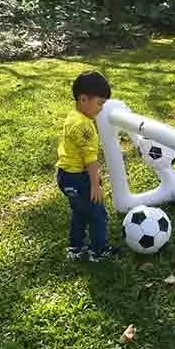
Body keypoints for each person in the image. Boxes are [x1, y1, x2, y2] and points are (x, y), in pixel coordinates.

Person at [56, 71, 117, 263]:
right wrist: (95, 185)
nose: (100, 109)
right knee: (98, 214)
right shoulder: (85, 127)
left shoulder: (72, 116)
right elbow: (90, 161)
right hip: (80, 178)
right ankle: (98, 251)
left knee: (79, 212)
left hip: (64, 176)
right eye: (99, 103)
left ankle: (75, 248)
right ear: (84, 99)